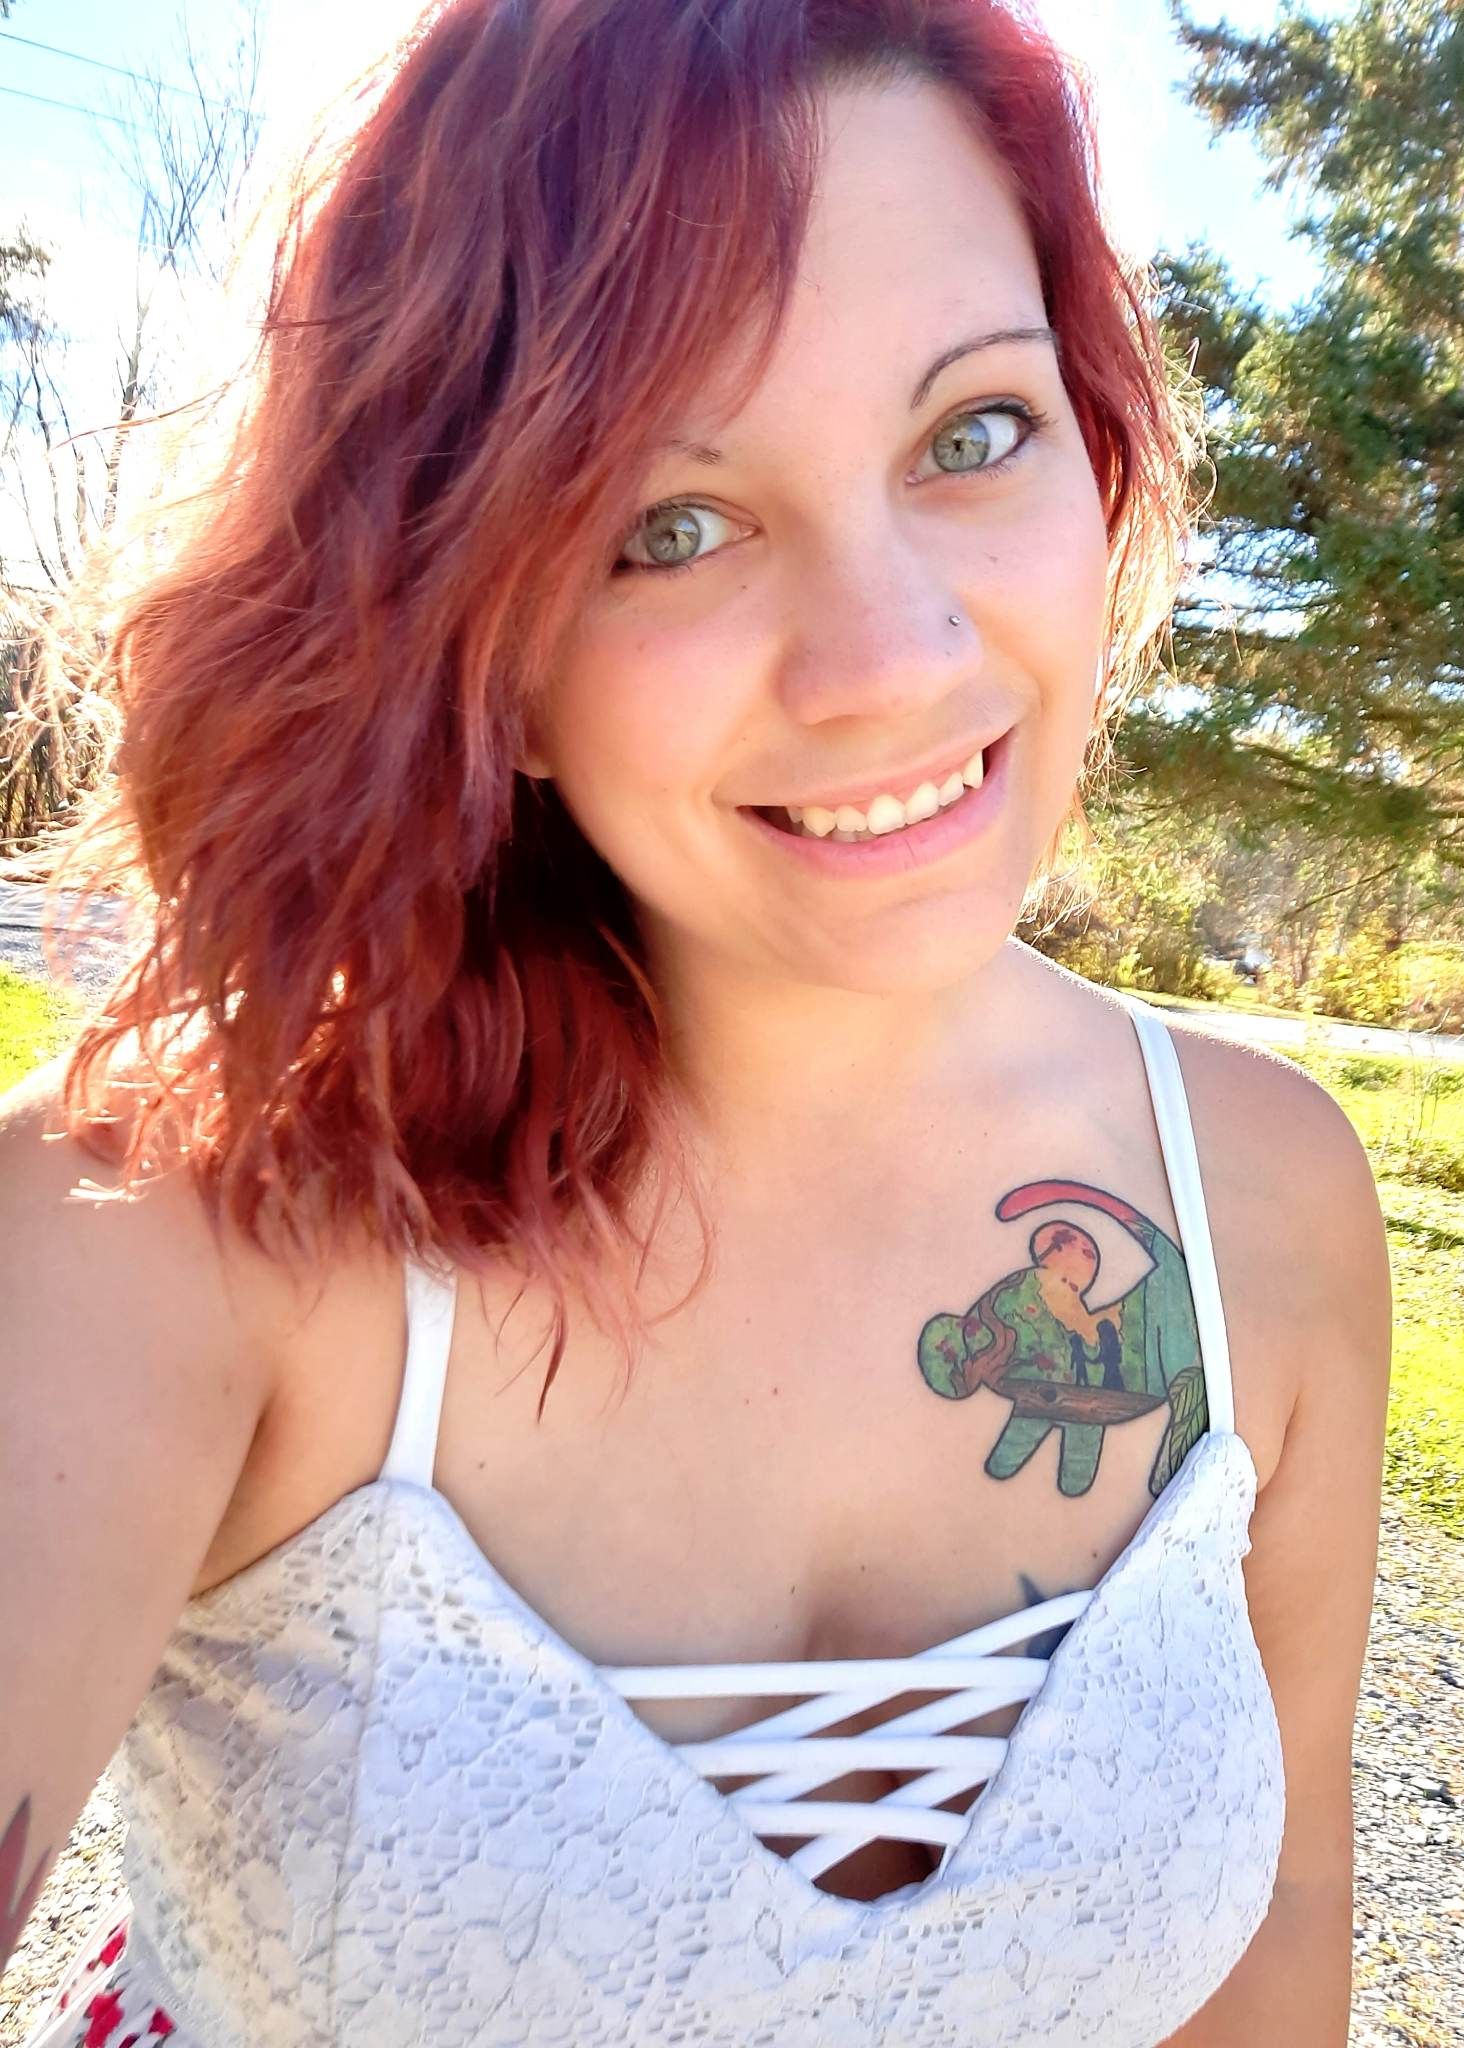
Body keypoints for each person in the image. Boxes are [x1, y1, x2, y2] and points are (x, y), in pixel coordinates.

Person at [0, 1, 1392, 2042]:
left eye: (973, 432)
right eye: (670, 525)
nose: (891, 659)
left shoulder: (1266, 1198)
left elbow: (1287, 1910)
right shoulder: (185, 1219)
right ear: (473, 633)